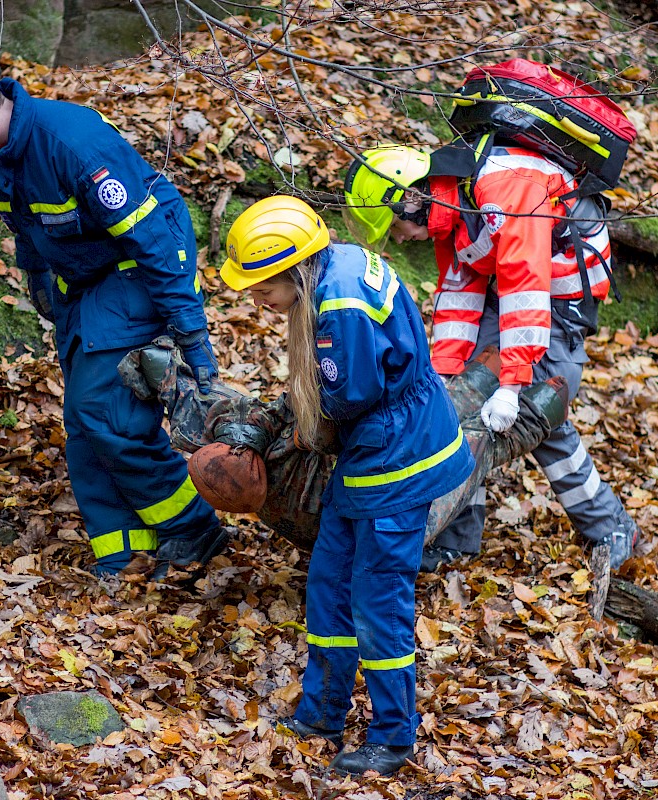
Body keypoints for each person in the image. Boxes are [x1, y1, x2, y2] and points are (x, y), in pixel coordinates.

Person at [0, 40, 228, 576]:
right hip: (87, 274)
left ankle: (195, 528)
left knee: (105, 410)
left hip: (141, 260)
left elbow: (152, 243)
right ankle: (126, 552)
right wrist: (37, 280)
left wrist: (191, 334)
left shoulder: (69, 143)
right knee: (82, 419)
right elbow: (26, 226)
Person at [219, 195, 475, 776]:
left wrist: (299, 430)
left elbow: (348, 396)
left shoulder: (339, 309)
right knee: (329, 578)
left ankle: (392, 735)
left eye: (261, 287)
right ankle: (322, 712)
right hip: (375, 450)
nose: (256, 300)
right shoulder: (335, 265)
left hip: (397, 454)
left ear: (294, 268)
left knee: (377, 599)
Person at [343, 139, 640, 573]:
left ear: (409, 197)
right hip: (512, 289)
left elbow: (526, 281)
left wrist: (512, 385)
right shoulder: (452, 207)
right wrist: (445, 380)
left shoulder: (505, 187)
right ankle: (458, 533)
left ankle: (611, 525)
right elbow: (460, 293)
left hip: (560, 296)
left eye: (395, 228)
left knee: (538, 413)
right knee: (463, 406)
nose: (401, 241)